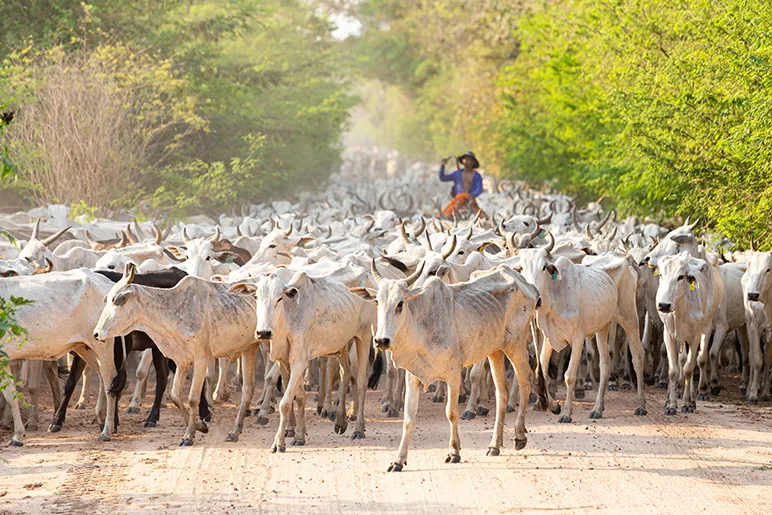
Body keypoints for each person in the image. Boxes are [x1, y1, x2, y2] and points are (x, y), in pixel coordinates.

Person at [438, 151, 483, 218]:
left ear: (473, 162)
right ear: (462, 160)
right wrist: (442, 166)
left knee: (482, 219)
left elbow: (479, 189)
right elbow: (442, 178)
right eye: (465, 159)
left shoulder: (477, 176)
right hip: (457, 201)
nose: (466, 160)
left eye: (468, 159)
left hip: (470, 201)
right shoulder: (457, 173)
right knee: (443, 215)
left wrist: (470, 196)